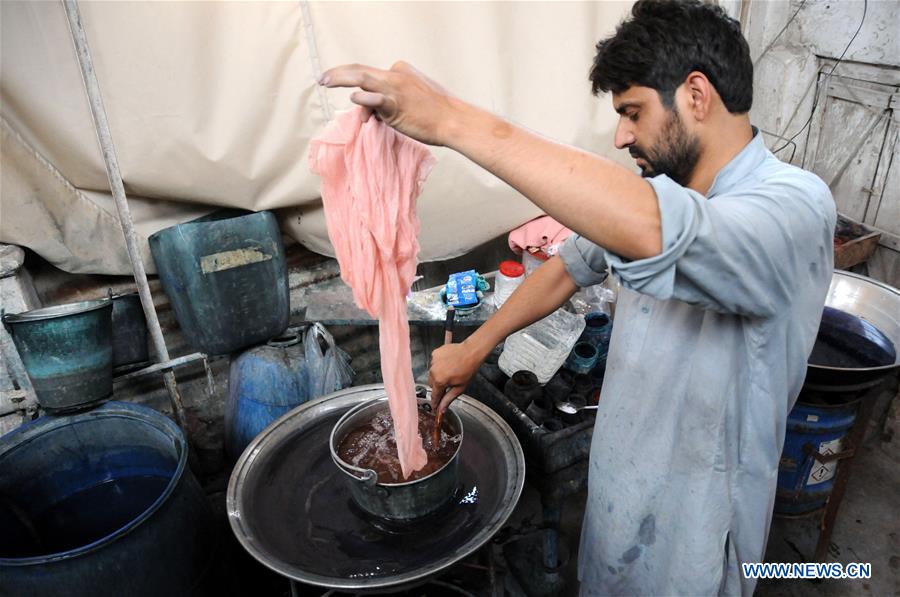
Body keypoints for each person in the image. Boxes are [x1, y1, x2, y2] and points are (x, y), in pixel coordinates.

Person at [320, 0, 835, 594]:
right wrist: (477, 345)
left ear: (697, 95)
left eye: (633, 112)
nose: (622, 136)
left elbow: (653, 231)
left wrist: (453, 122)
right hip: (617, 487)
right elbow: (568, 265)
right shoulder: (659, 187)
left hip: (696, 527)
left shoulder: (793, 207)